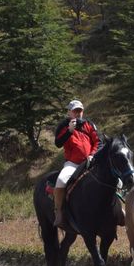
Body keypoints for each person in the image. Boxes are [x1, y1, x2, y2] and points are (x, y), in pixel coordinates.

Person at [51, 99, 101, 232]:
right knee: (61, 180)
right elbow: (58, 143)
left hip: (90, 162)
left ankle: (118, 210)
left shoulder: (89, 124)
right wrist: (69, 131)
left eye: (80, 111)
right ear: (69, 112)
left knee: (111, 177)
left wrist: (92, 154)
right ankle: (59, 212)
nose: (78, 113)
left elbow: (98, 142)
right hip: (72, 164)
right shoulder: (63, 125)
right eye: (75, 111)